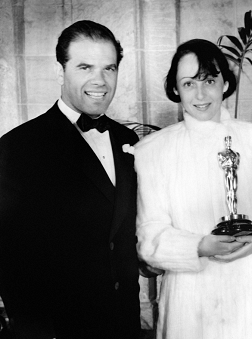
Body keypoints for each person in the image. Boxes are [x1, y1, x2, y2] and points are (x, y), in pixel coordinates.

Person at [135, 39, 252, 339]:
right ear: (175, 89)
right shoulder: (152, 150)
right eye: (189, 83)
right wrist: (199, 247)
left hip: (251, 295)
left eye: (210, 80)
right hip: (188, 300)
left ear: (225, 83)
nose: (201, 94)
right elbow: (149, 237)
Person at [0, 20, 141, 339]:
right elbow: (9, 260)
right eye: (85, 67)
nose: (100, 81)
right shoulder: (19, 147)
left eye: (109, 68)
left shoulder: (126, 138)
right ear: (60, 71)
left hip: (125, 325)